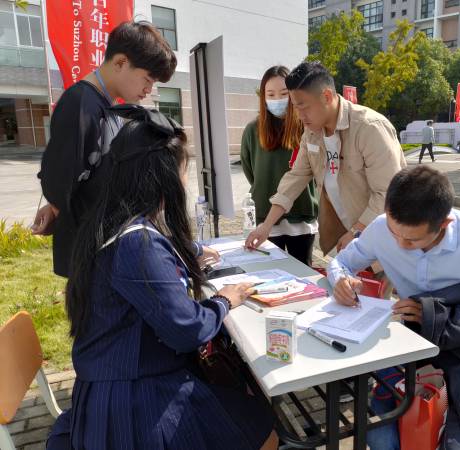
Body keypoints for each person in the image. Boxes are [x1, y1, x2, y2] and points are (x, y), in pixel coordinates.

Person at [46, 105, 278, 450]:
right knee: (265, 431)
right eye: (185, 170)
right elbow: (186, 330)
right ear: (165, 175)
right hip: (136, 406)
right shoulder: (137, 244)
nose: (185, 180)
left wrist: (191, 251)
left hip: (109, 387)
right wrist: (225, 299)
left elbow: (155, 261)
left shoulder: (109, 224)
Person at [328, 166, 460, 450]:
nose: (400, 244)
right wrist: (341, 280)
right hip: (411, 339)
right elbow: (341, 262)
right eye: (394, 232)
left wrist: (441, 317)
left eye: (412, 240)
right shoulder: (380, 229)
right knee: (381, 435)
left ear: (445, 224)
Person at [33, 21, 179, 278]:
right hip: (90, 253)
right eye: (147, 78)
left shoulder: (107, 105)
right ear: (121, 62)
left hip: (103, 245)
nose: (149, 89)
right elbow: (60, 179)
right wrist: (56, 205)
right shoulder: (82, 104)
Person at [245, 61, 406, 256]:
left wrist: (357, 231)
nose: (299, 115)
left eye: (304, 107)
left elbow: (388, 193)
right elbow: (295, 178)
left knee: (382, 284)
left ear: (327, 96)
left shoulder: (369, 128)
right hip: (348, 239)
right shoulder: (312, 133)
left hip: (382, 238)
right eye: (295, 107)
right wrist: (266, 226)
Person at [240, 66, 318, 265]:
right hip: (265, 215)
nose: (277, 99)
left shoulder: (305, 125)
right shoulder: (252, 130)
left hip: (300, 214)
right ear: (263, 97)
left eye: (283, 94)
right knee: (270, 274)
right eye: (271, 94)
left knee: (302, 273)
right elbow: (250, 171)